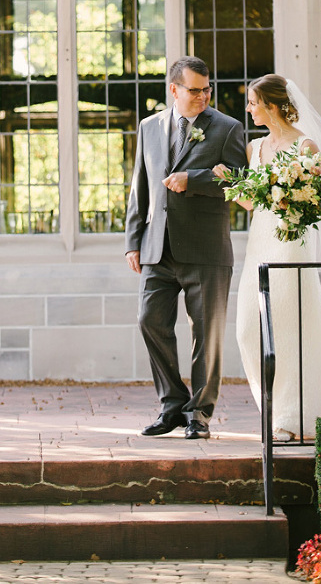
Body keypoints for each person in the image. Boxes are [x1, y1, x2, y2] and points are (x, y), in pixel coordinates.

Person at [213, 73, 321, 442]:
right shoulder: (255, 148)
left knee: (287, 326)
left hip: (290, 242)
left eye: (253, 103)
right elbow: (252, 203)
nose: (249, 109)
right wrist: (229, 182)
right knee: (248, 328)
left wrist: (297, 198)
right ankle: (276, 408)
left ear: (271, 105)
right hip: (259, 243)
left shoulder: (306, 146)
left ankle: (288, 417)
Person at [125, 56, 247, 439]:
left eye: (207, 89)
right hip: (157, 248)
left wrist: (192, 179)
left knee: (206, 336)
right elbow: (139, 186)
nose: (203, 96)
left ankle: (200, 414)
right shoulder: (149, 127)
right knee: (150, 321)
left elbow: (242, 183)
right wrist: (133, 241)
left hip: (206, 250)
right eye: (195, 90)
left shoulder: (228, 128)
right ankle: (172, 406)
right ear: (174, 89)